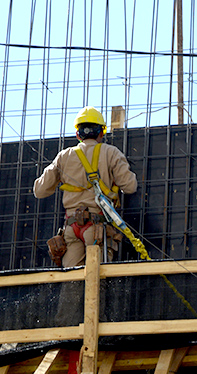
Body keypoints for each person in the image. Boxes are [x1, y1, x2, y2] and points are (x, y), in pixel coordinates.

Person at [34, 106, 137, 267]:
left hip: (71, 228)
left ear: (78, 134)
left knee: (72, 281)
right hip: (97, 227)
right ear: (101, 132)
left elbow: (39, 190)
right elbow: (130, 187)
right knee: (98, 279)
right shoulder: (111, 152)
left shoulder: (64, 156)